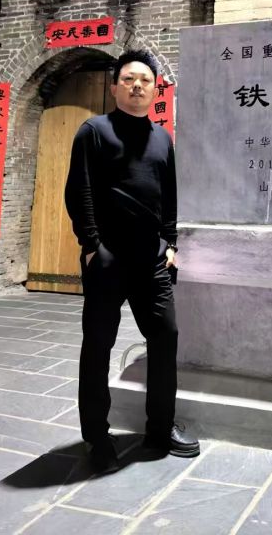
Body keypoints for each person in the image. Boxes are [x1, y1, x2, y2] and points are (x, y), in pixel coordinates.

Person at [65, 49, 199, 474]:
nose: (137, 86)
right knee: (98, 345)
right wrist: (92, 246)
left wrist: (170, 243)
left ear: (155, 89)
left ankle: (160, 429)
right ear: (115, 87)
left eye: (145, 80)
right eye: (128, 79)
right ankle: (96, 436)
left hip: (152, 259)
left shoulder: (162, 139)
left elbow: (169, 195)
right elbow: (79, 191)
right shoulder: (94, 131)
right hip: (108, 259)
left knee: (165, 337)